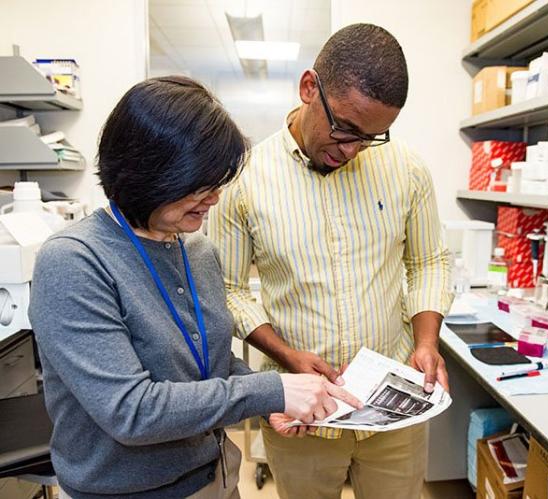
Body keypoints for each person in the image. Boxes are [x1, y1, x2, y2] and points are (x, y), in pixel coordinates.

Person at [28, 76, 360, 499]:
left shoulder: (198, 251)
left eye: (218, 182)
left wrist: (272, 402)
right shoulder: (74, 262)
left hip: (214, 476)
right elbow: (131, 411)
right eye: (200, 184)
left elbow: (212, 364)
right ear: (148, 172)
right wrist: (270, 389)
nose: (215, 198)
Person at [207, 23, 453, 499]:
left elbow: (429, 261)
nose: (352, 150)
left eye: (371, 138)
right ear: (308, 89)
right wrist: (285, 355)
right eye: (345, 129)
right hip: (304, 412)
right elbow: (229, 290)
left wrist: (427, 341)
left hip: (393, 413)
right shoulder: (246, 179)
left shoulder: (407, 170)